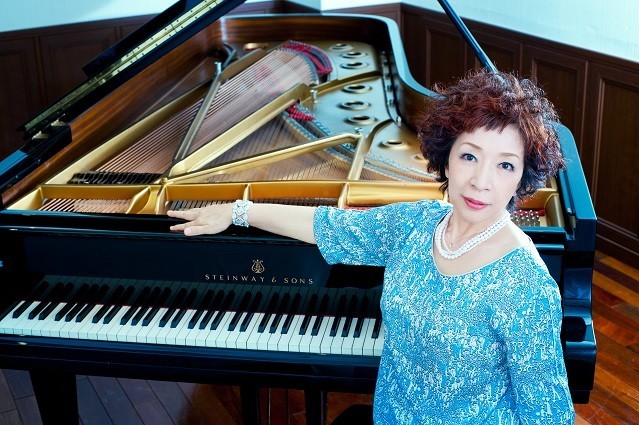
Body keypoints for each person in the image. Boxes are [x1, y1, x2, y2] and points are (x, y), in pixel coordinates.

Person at [167, 68, 575, 424]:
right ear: (447, 158)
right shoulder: (414, 225)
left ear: (522, 178)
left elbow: (548, 415)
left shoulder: (526, 285)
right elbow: (325, 225)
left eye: (505, 165)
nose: (481, 181)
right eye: (469, 156)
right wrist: (239, 211)